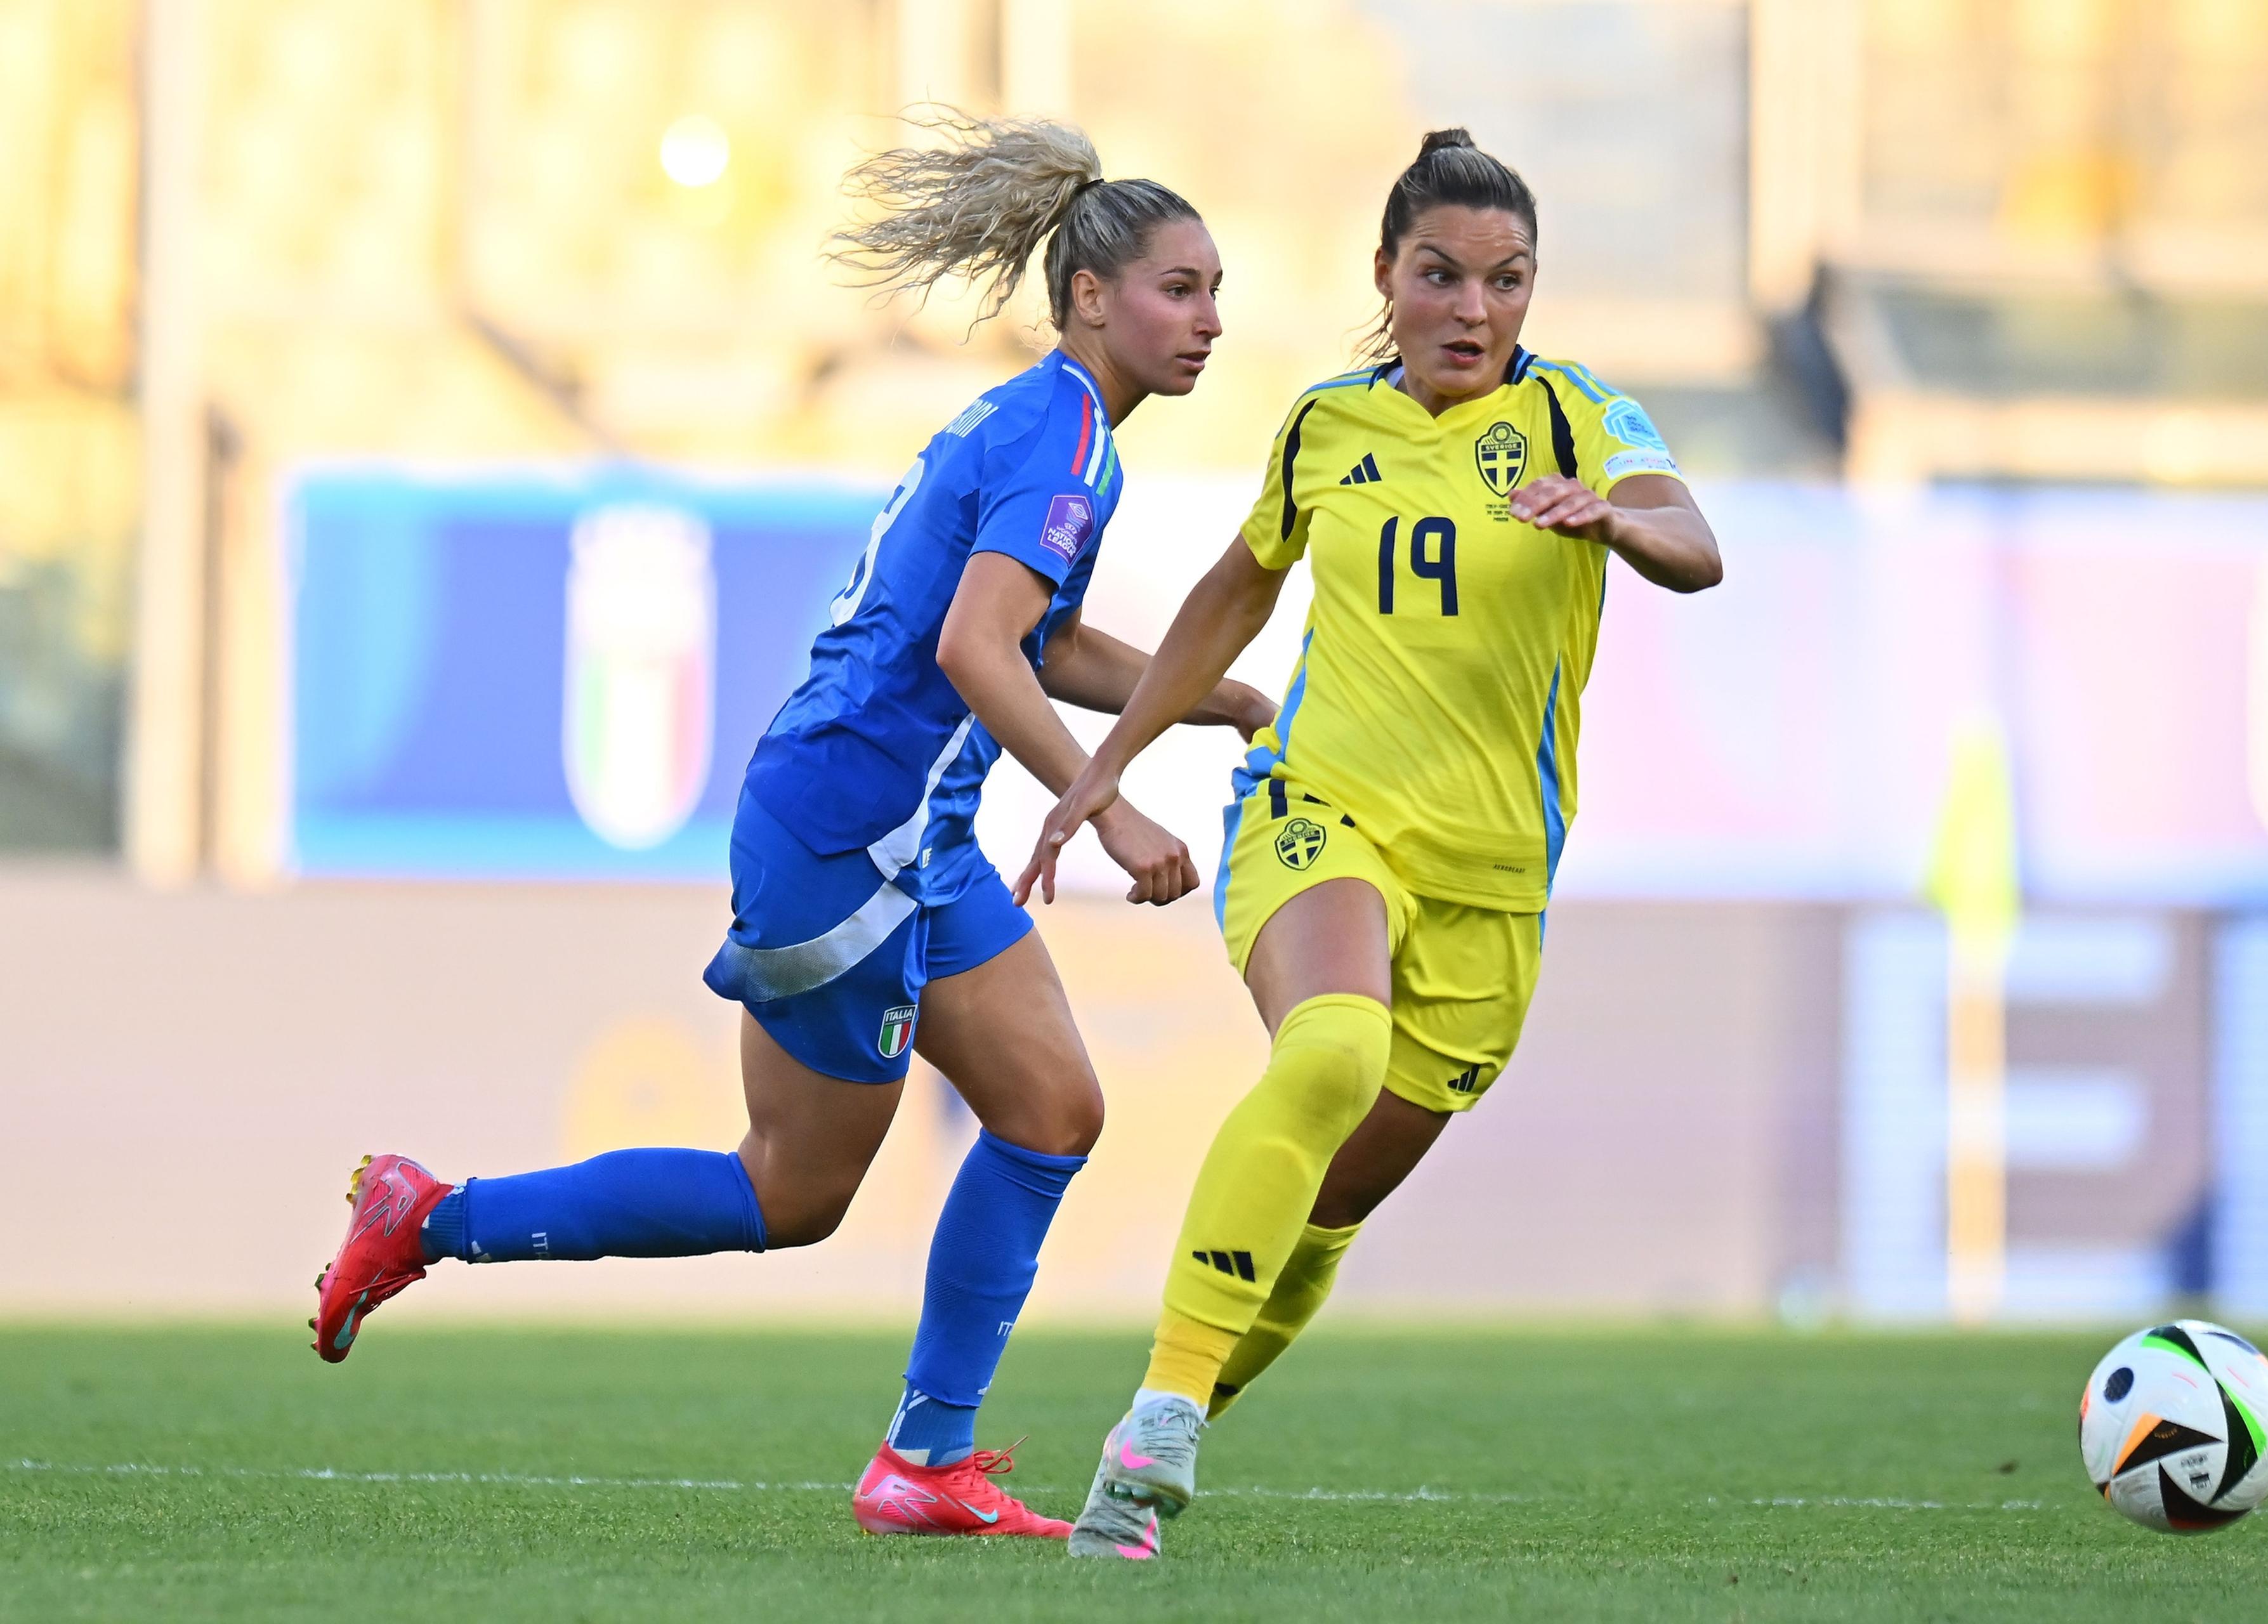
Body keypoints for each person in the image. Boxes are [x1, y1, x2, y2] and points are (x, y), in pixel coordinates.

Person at [309, 111, 1272, 1542]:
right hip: (851, 842)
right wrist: (1110, 804)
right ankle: (431, 1215)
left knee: (1053, 1109)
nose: (1207, 321)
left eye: (1214, 293)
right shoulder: (1064, 441)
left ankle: (925, 1461)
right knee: (793, 1187)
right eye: (1178, 290)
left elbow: (1037, 639)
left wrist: (1215, 692)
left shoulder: (1050, 423)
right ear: (1090, 296)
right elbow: (975, 649)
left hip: (902, 835)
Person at [1016, 128, 1724, 1559]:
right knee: (1328, 1052)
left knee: (1323, 1208)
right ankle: (1160, 1409)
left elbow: (1696, 540)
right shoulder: (1327, 423)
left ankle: (1150, 1446)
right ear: (1387, 279)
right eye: (1441, 275)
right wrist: (1110, 760)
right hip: (1318, 809)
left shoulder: (1584, 418)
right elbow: (1235, 587)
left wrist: (1619, 524)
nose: (1474, 308)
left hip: (1491, 886)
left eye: (1506, 280)